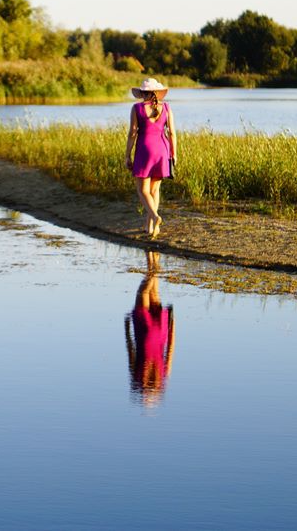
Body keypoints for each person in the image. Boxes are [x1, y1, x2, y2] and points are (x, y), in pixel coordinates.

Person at [124, 77, 178, 238]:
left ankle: (155, 217)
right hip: (162, 149)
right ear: (156, 92)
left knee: (142, 190)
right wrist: (174, 154)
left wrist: (127, 155)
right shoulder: (167, 107)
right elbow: (173, 133)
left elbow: (133, 133)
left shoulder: (137, 108)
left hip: (144, 150)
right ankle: (151, 227)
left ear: (142, 93)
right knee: (154, 190)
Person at [124, 251, 176, 407]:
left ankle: (154, 256)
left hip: (159, 329)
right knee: (146, 289)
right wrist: (126, 329)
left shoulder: (162, 375)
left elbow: (171, 348)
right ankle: (150, 254)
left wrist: (172, 324)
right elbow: (130, 350)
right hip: (145, 326)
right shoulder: (139, 377)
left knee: (152, 288)